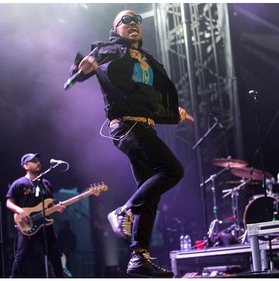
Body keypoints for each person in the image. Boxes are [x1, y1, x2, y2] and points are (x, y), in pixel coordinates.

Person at [68, 9, 193, 278]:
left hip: (144, 125)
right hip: (126, 126)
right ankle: (123, 211)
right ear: (116, 28)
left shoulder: (147, 59)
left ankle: (139, 257)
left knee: (150, 191)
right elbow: (86, 65)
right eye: (126, 20)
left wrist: (173, 112)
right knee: (172, 170)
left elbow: (150, 96)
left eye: (137, 20)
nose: (133, 23)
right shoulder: (108, 49)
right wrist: (82, 70)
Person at [6, 153, 66, 277]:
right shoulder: (19, 183)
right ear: (25, 166)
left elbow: (50, 203)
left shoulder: (45, 183)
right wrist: (20, 211)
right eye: (34, 161)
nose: (38, 162)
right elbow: (9, 202)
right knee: (21, 256)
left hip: (45, 224)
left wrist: (56, 207)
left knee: (55, 255)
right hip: (27, 224)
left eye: (38, 160)